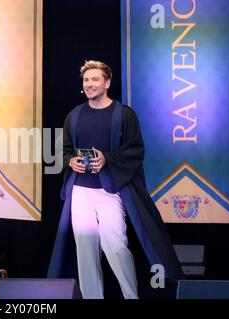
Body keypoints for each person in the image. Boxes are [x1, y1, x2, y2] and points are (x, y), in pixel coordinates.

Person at [47, 60, 183, 299]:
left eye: (95, 79)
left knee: (116, 247)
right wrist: (70, 161)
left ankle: (131, 296)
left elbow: (135, 151)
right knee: (85, 249)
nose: (89, 84)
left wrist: (107, 159)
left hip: (110, 190)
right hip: (80, 190)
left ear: (107, 82)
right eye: (86, 80)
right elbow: (64, 149)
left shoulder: (124, 114)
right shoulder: (74, 115)